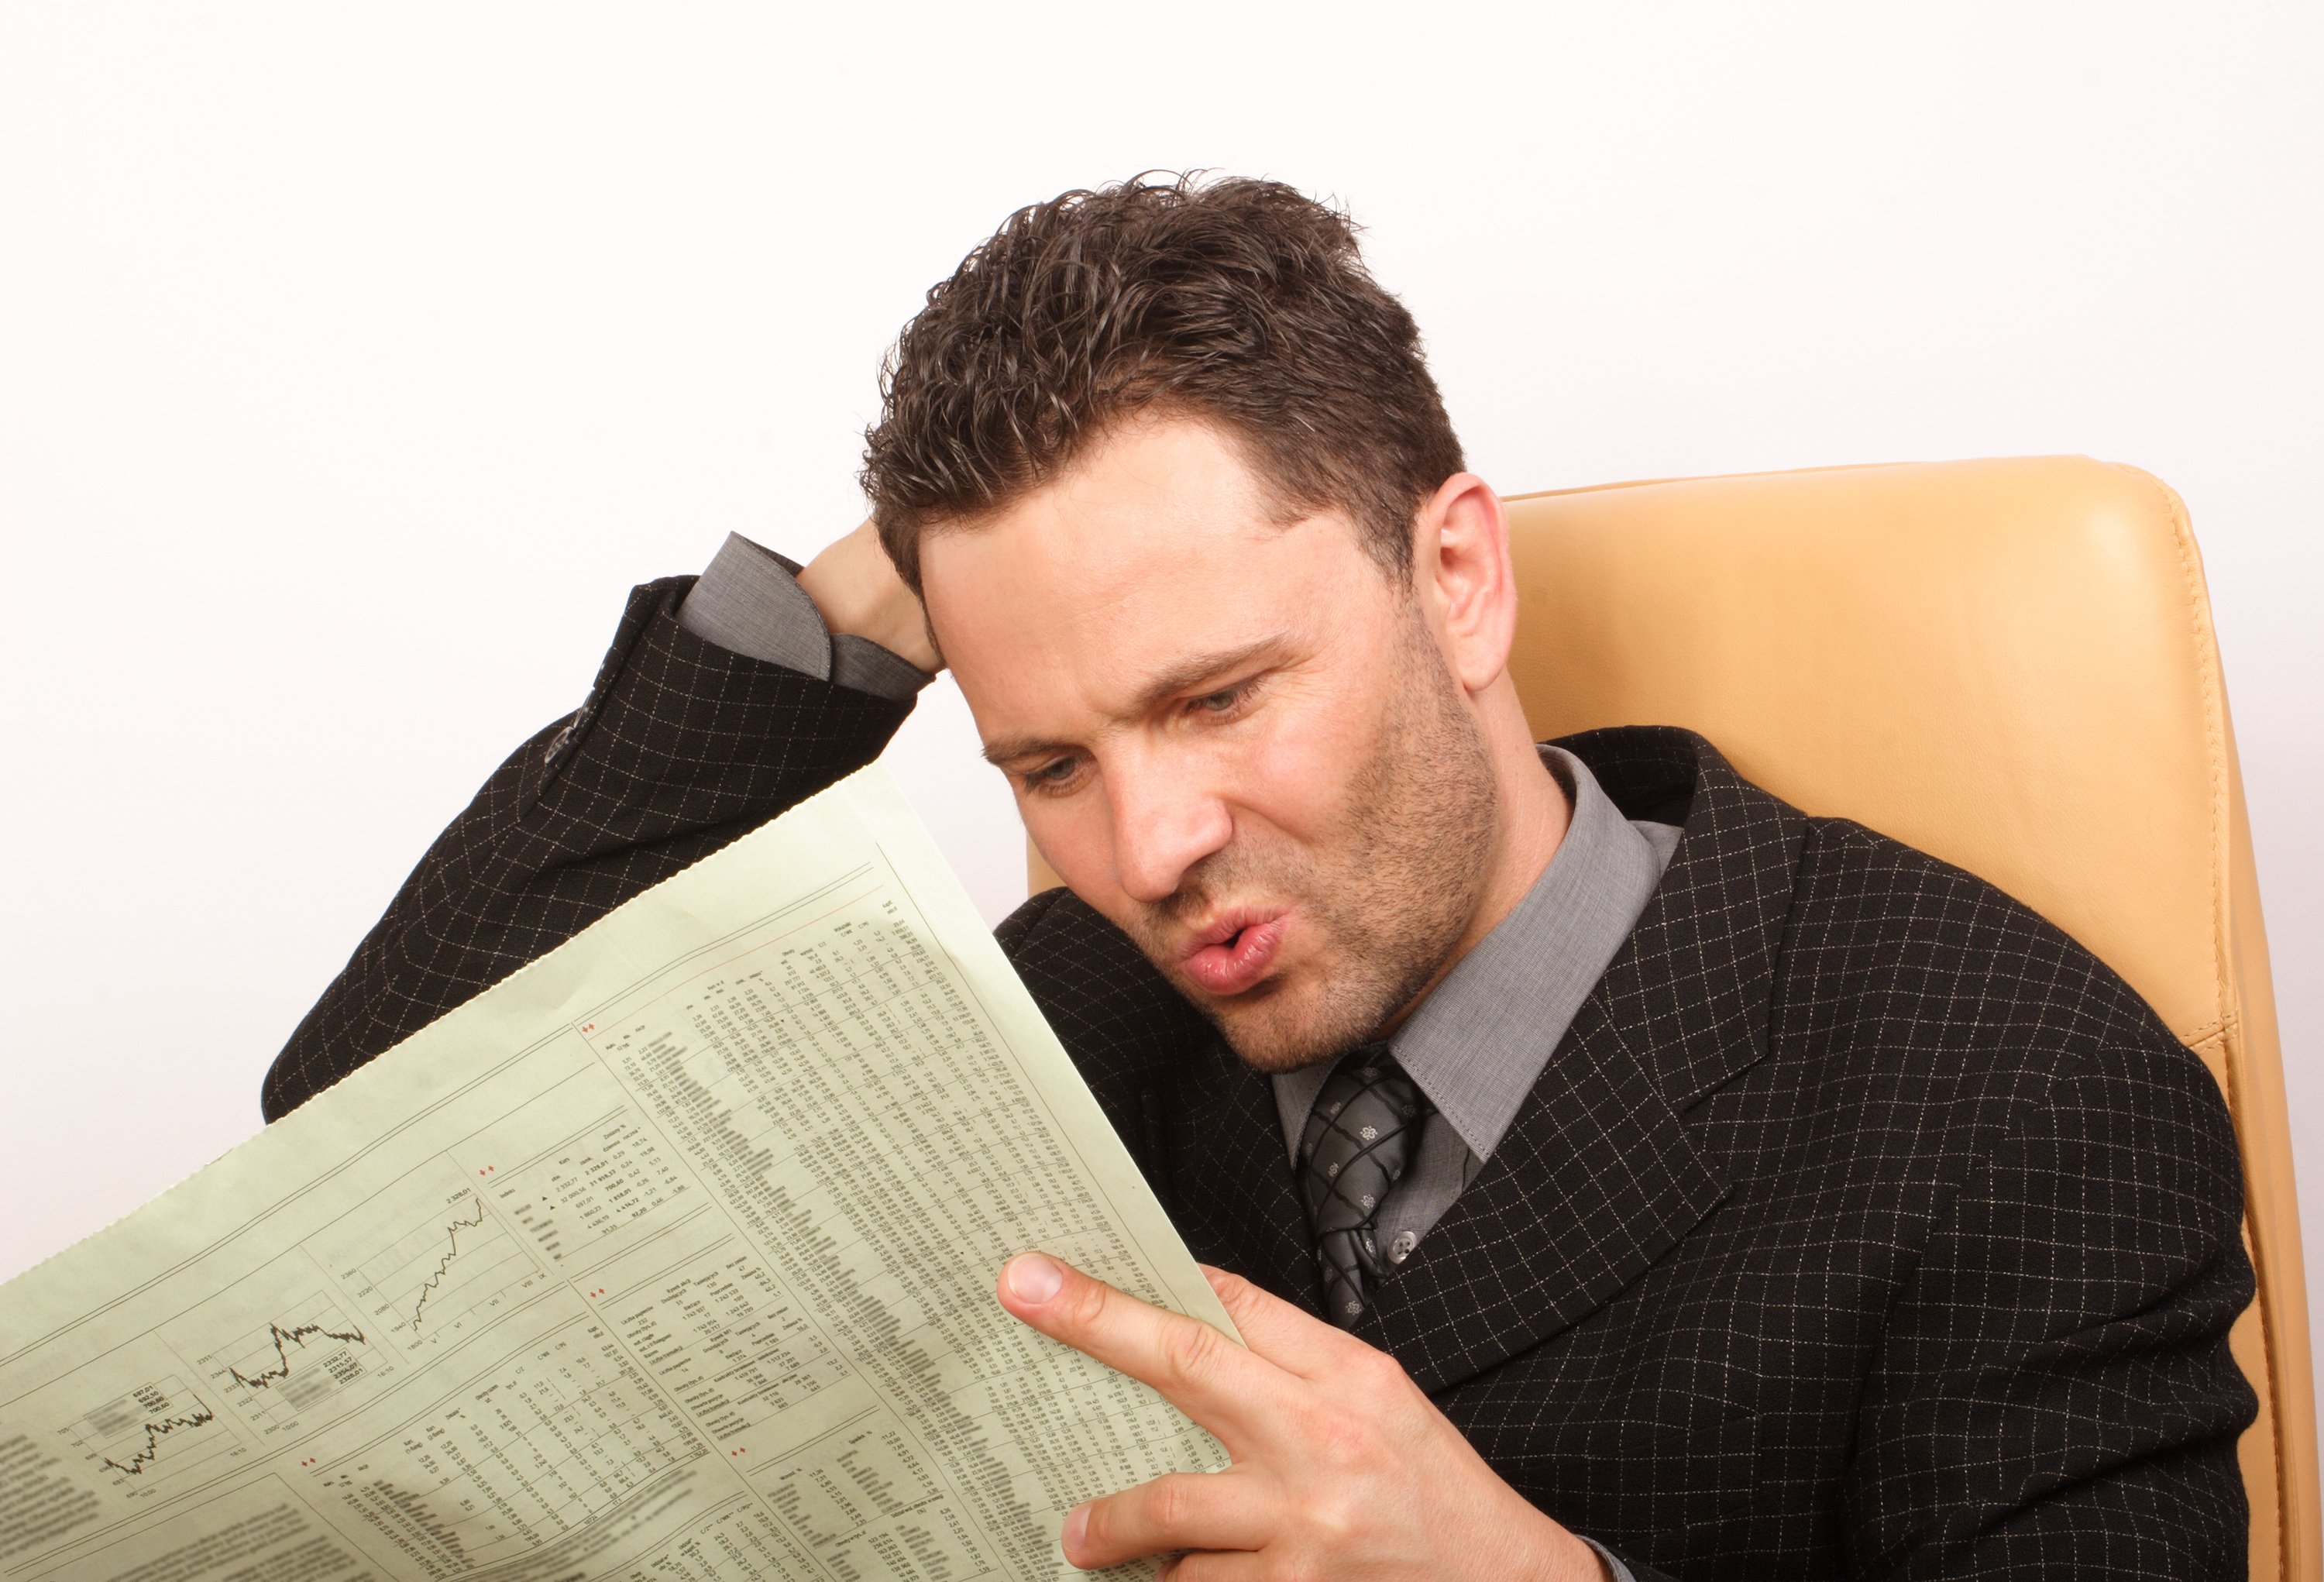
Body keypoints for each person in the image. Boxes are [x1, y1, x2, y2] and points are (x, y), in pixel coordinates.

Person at [260, 174, 2257, 1580]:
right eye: (1049, 761)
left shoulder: (2024, 1100)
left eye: (1215, 698)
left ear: (1455, 578)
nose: (1143, 855)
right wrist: (895, 592)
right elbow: (366, 1132)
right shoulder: (1077, 1008)